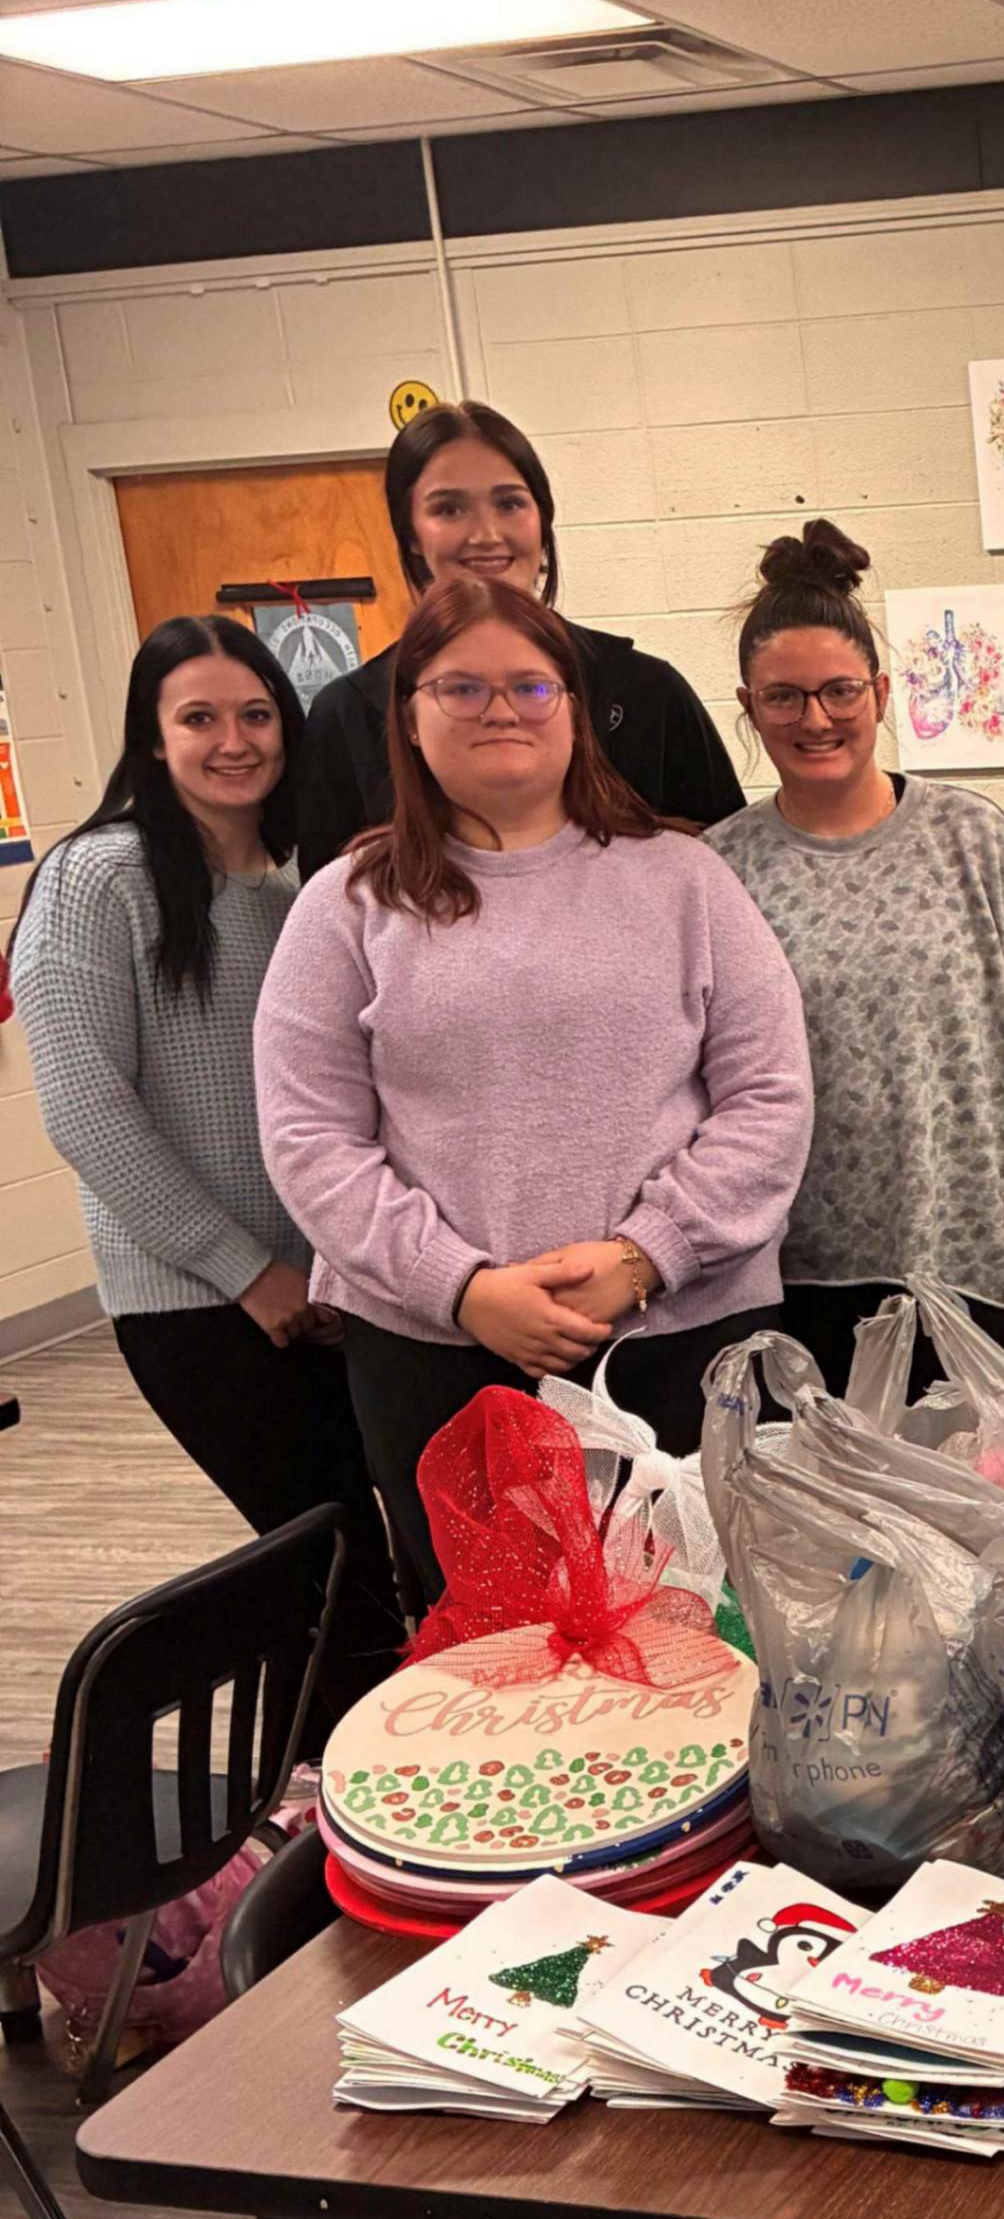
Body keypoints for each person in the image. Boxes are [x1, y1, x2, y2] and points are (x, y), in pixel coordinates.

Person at [253, 579, 810, 1609]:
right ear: (409, 717)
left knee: (697, 1642)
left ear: (572, 708)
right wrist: (463, 1287)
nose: (499, 707)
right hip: (439, 1360)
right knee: (502, 1656)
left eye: (530, 684)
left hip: (675, 1336)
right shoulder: (346, 905)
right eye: (460, 687)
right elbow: (308, 1136)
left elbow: (770, 1098)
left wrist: (649, 1254)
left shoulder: (684, 879)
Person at [12, 615, 404, 1704]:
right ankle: (303, 1826)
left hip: (328, 1291)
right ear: (150, 739)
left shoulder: (297, 892)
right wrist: (245, 1271)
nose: (235, 740)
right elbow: (86, 1109)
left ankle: (321, 1800)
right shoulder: (98, 879)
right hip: (202, 1305)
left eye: (256, 714)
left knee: (356, 1576)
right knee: (331, 1579)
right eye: (199, 718)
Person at [708, 522, 1004, 1386]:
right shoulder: (718, 872)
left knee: (994, 1512)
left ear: (883, 692)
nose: (815, 718)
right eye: (784, 697)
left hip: (977, 1274)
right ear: (747, 707)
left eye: (839, 691)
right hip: (787, 1286)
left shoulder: (973, 840)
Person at [291, 401, 742, 876]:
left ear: (543, 522)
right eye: (449, 508)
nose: (486, 533)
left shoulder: (648, 693)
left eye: (509, 503)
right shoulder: (346, 715)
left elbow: (726, 869)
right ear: (410, 535)